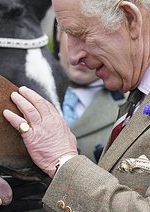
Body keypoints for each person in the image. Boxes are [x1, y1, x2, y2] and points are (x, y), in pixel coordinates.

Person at [3, 0, 150, 212]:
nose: (73, 57)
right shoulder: (135, 96)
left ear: (130, 18)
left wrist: (63, 161)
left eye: (80, 34)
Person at [54, 21, 126, 162]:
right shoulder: (22, 89)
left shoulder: (132, 106)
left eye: (97, 42)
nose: (80, 54)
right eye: (74, 36)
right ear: (58, 33)